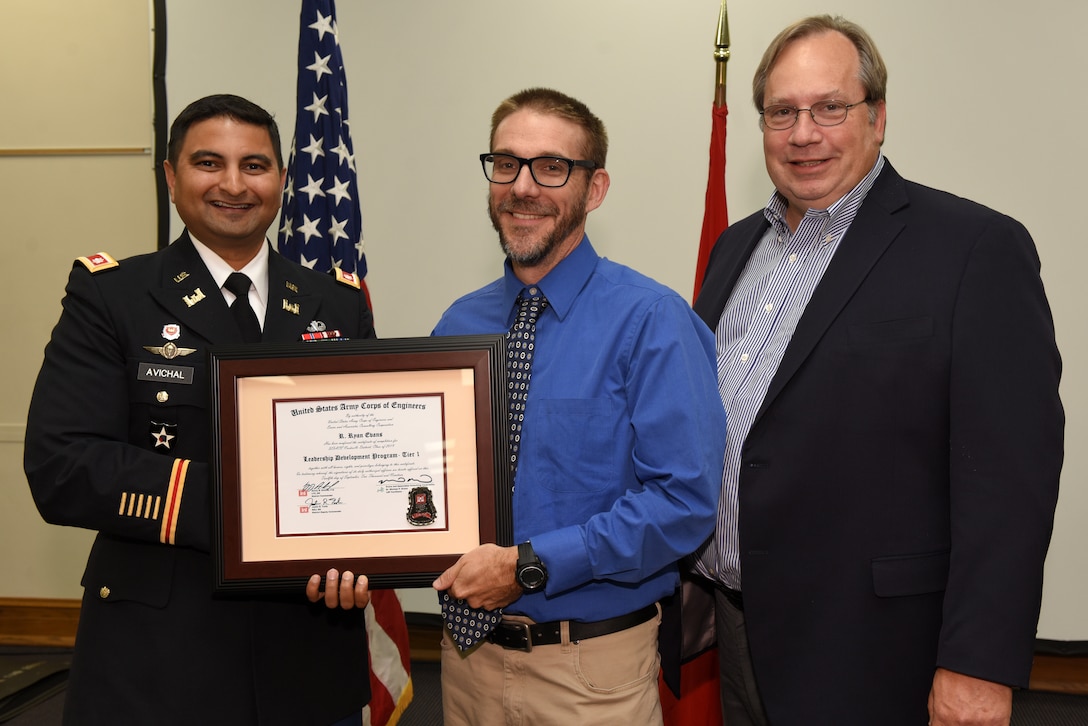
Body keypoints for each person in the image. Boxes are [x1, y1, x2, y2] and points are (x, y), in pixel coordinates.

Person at [688, 15, 1064, 726]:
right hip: (736, 628)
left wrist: (978, 661)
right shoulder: (736, 249)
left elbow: (1010, 480)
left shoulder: (973, 249)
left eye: (830, 107)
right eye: (782, 112)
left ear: (878, 116)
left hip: (878, 649)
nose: (804, 134)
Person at [25, 94, 375, 726]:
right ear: (171, 176)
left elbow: (362, 460)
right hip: (158, 655)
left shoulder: (337, 304)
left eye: (256, 165)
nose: (234, 185)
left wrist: (369, 548)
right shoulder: (114, 296)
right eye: (209, 163)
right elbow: (63, 466)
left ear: (282, 179)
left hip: (307, 648)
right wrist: (253, 506)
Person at [429, 87, 727, 725]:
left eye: (551, 167)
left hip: (588, 679)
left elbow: (683, 502)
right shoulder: (460, 321)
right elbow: (428, 485)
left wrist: (531, 567)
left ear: (594, 189)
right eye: (506, 164)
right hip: (465, 664)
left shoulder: (653, 320)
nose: (523, 186)